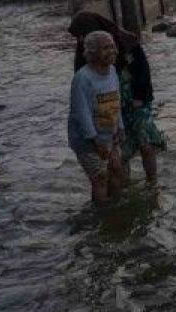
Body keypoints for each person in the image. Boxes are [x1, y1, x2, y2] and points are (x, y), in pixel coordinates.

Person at [69, 12, 166, 184]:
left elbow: (143, 71)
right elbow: (81, 95)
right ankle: (125, 190)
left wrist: (139, 97)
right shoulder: (85, 52)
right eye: (78, 36)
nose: (80, 39)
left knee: (146, 143)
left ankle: (153, 184)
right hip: (110, 109)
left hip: (136, 101)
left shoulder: (125, 42)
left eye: (83, 34)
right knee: (119, 154)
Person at [68, 31, 126, 206]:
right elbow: (81, 112)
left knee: (116, 171)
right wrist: (95, 140)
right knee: (100, 177)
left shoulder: (113, 72)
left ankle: (116, 210)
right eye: (106, 48)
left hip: (110, 135)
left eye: (112, 47)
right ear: (92, 53)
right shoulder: (82, 78)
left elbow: (117, 102)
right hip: (87, 140)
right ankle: (101, 216)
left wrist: (120, 128)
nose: (112, 51)